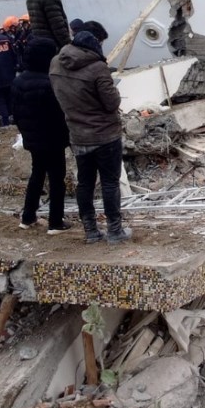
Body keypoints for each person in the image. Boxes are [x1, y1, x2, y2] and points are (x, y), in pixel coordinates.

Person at [50, 25, 130, 244]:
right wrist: (112, 88)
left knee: (85, 183)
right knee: (110, 183)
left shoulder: (56, 63)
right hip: (105, 134)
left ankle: (91, 231)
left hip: (78, 134)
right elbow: (111, 103)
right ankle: (115, 231)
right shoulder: (97, 68)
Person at [13, 37, 71, 234]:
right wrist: (67, 137)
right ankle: (56, 221)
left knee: (37, 175)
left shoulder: (19, 80)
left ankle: (27, 217)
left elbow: (16, 113)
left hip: (32, 139)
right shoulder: (49, 83)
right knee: (57, 179)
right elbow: (58, 115)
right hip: (52, 139)